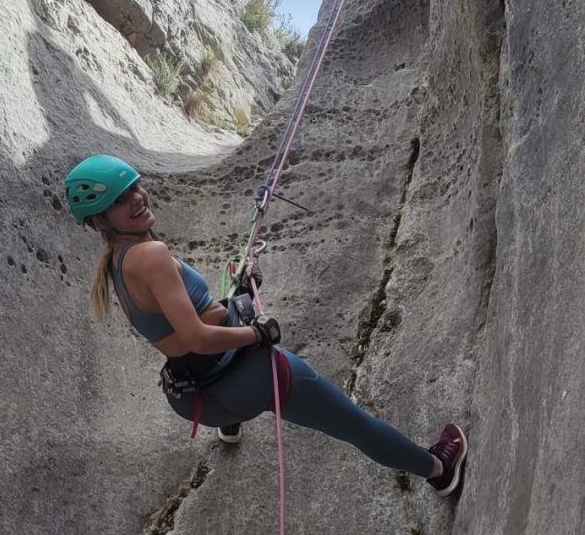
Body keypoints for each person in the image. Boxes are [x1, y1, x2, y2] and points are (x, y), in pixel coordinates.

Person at [65, 153, 468, 494]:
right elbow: (197, 336)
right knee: (350, 421)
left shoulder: (116, 265)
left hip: (196, 397)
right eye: (120, 200)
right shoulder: (150, 255)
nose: (136, 198)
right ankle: (437, 469)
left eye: (134, 187)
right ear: (101, 222)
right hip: (236, 379)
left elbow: (181, 324)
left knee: (233, 310)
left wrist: (240, 293)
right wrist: (257, 333)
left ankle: (230, 426)